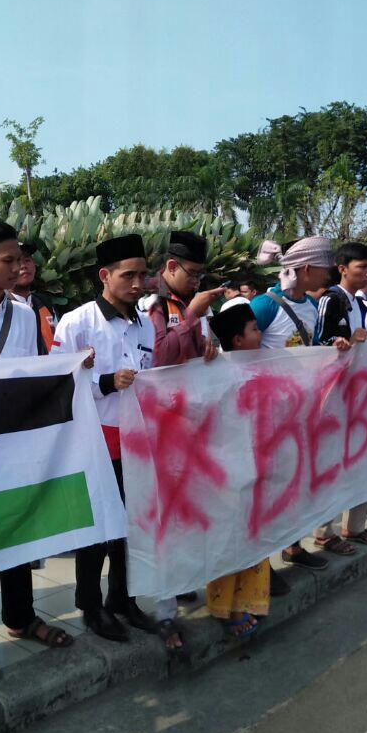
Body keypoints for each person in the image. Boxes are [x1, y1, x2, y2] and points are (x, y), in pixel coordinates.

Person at [52, 234, 159, 644]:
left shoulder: (144, 324)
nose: (137, 284)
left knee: (130, 526)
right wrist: (104, 381)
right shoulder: (77, 322)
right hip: (94, 437)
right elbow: (59, 382)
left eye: (142, 275)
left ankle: (123, 598)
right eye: (128, 275)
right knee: (97, 527)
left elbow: (147, 374)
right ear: (105, 276)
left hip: (135, 436)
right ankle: (91, 605)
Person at [0, 222, 75, 663]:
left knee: (15, 529)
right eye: (7, 260)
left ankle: (20, 616)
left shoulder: (24, 315)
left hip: (8, 441)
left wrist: (73, 367)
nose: (17, 268)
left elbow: (30, 374)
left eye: (18, 260)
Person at [143, 230, 228, 624]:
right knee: (166, 511)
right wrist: (192, 313)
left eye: (200, 275)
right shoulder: (152, 304)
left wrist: (208, 351)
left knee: (190, 507)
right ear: (170, 267)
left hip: (192, 421)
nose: (197, 282)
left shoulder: (192, 303)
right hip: (158, 425)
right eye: (191, 273)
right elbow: (157, 357)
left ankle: (182, 575)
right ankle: (163, 596)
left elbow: (195, 350)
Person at [251, 236, 337, 570]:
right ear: (304, 269)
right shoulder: (264, 305)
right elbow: (239, 352)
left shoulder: (312, 306)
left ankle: (292, 545)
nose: (328, 272)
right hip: (269, 414)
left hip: (300, 411)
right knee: (269, 486)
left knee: (296, 482)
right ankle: (262, 565)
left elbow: (312, 349)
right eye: (323, 266)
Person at [313, 242, 367, 542]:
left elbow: (365, 341)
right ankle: (323, 532)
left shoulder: (361, 302)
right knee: (331, 465)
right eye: (361, 267)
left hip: (359, 393)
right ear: (342, 269)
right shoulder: (330, 300)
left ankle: (355, 527)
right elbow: (319, 343)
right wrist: (344, 338)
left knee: (360, 460)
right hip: (334, 396)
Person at [205, 302, 271, 640]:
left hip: (255, 464)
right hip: (229, 469)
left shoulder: (262, 367)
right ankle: (224, 604)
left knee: (253, 535)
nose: (260, 334)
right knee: (229, 537)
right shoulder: (219, 372)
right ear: (238, 340)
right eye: (254, 330)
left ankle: (247, 600)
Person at [11, 241, 57, 353]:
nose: (23, 266)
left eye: (27, 260)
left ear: (35, 267)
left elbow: (60, 344)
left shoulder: (44, 302)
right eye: (17, 261)